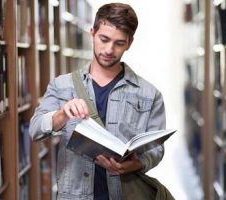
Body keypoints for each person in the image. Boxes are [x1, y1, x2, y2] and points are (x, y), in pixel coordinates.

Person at [29, 3, 166, 200]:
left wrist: (136, 164)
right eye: (104, 39)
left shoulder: (150, 94)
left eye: (119, 43)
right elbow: (35, 130)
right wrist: (62, 114)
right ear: (92, 33)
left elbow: (156, 149)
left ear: (129, 43)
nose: (109, 49)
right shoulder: (63, 85)